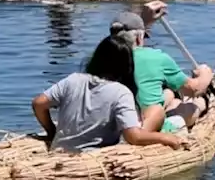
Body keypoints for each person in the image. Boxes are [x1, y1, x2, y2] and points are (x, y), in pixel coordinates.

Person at [33, 34, 186, 152]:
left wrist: (51, 131)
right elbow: (134, 137)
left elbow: (38, 104)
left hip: (59, 150)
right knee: (159, 113)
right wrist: (166, 138)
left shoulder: (73, 79)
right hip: (92, 158)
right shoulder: (121, 92)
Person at [111, 7, 213, 135]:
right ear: (139, 38)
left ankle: (173, 104)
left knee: (170, 94)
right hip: (140, 129)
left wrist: (146, 21)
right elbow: (193, 90)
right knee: (195, 104)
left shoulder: (101, 57)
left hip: (115, 125)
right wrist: (205, 74)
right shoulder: (156, 57)